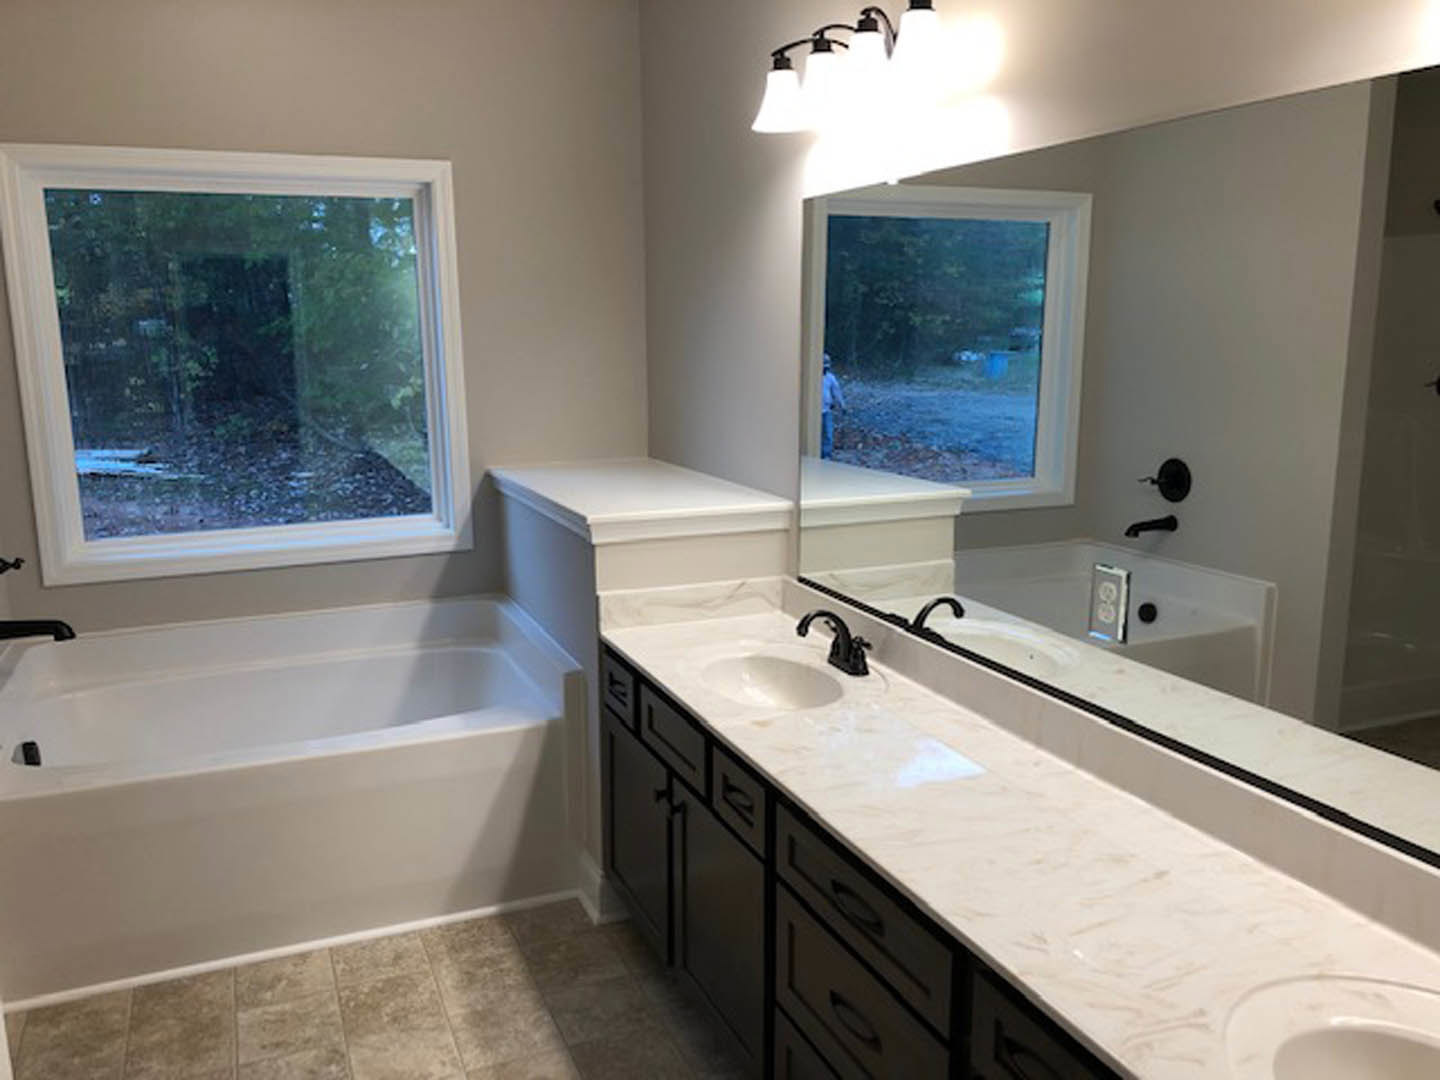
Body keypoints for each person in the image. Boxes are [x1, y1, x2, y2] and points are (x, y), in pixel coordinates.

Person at [820, 353, 846, 458]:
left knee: (828, 434)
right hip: (815, 411)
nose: (825, 368)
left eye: (827, 366)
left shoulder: (830, 378)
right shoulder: (813, 378)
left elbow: (836, 392)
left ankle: (826, 455)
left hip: (826, 410)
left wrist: (842, 405)